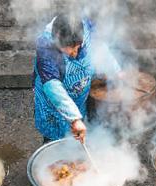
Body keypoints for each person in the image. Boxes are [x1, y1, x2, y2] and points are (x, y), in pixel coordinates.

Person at [33, 13, 121, 143]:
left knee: (77, 139)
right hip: (52, 104)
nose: (73, 54)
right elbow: (52, 85)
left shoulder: (86, 26)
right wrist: (74, 118)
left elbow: (99, 46)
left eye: (76, 48)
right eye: (66, 50)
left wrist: (115, 70)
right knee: (54, 143)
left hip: (78, 95)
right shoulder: (45, 46)